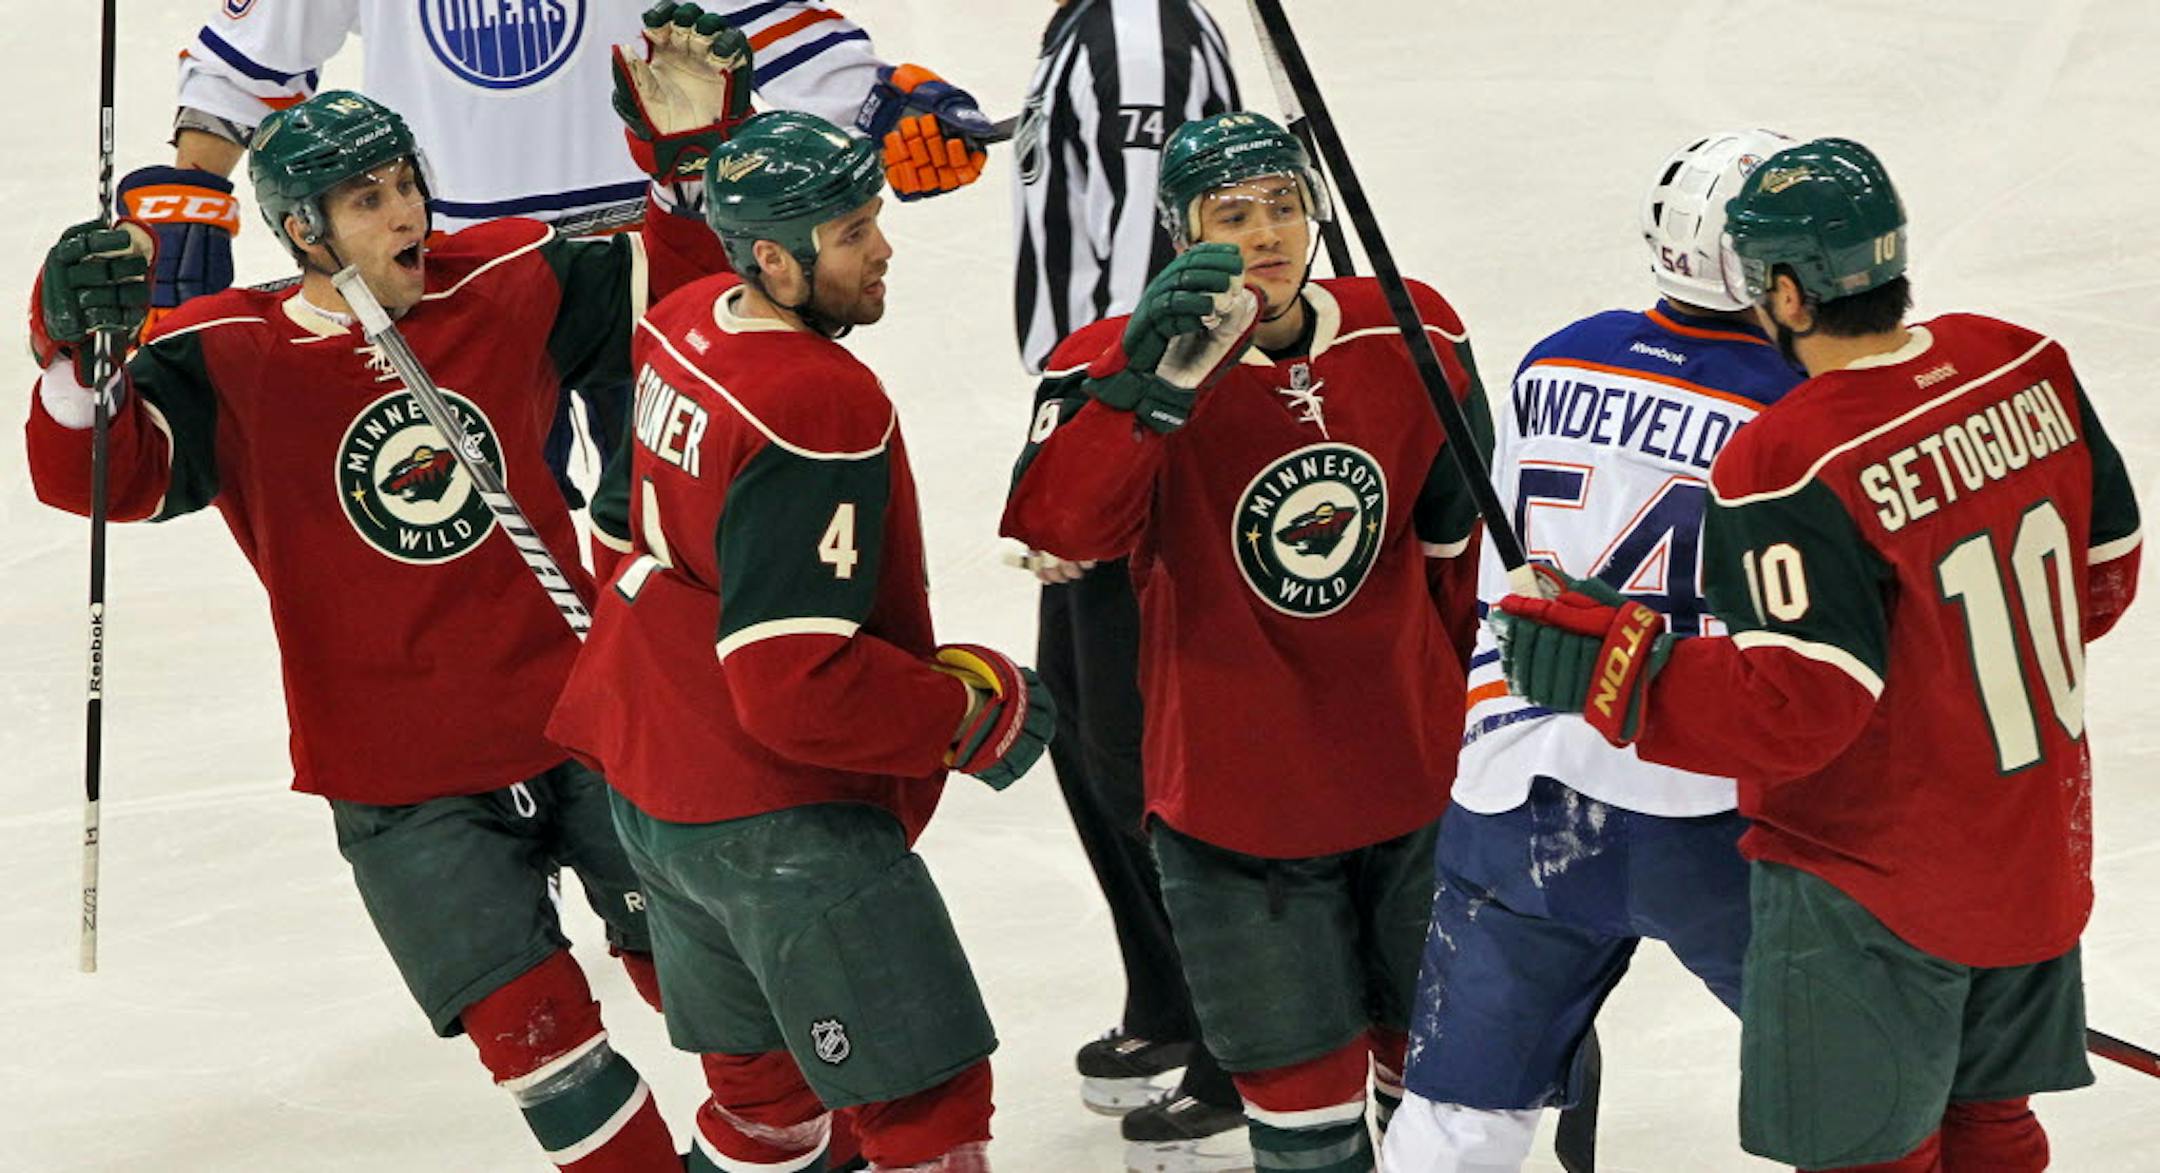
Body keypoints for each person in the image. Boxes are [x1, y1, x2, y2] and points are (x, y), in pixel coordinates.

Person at [24, 11, 745, 1168]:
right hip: (400, 779)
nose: (408, 211)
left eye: (407, 182)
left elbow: (691, 304)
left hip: (584, 723)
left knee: (724, 992)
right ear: (304, 230)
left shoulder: (506, 279)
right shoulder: (229, 356)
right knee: (542, 1048)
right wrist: (71, 355)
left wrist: (690, 171)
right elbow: (100, 480)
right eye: (368, 201)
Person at [1491, 137, 2142, 1172]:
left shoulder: (1788, 457)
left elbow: (1792, 717)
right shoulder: (2022, 359)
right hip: (2034, 843)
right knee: (1993, 1126)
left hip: (1878, 885)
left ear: (1788, 294)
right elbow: (2105, 576)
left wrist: (1616, 664)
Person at [546, 111, 1056, 1173]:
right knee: (927, 1104)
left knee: (767, 1106)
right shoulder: (816, 400)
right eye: (854, 231)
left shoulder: (686, 324)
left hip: (650, 787)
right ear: (774, 257)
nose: (883, 249)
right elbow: (793, 683)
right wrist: (961, 715)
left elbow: (613, 521)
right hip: (776, 819)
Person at [1002, 110, 1490, 1173]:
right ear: (1182, 233)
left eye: (1285, 205)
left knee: (1442, 1116)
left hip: (1414, 789)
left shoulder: (1413, 333)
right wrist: (1151, 387)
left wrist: (1485, 746)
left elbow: (1460, 557)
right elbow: (1054, 535)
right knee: (1306, 1132)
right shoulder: (1109, 362)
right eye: (1233, 213)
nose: (1267, 231)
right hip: (1241, 813)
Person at [130, 0, 1001, 525]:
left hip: (646, 262)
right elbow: (247, 63)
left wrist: (881, 103)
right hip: (457, 280)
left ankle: (694, 755)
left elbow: (767, 24)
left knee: (698, 524)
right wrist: (185, 182)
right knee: (489, 543)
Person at [1379, 129, 1802, 1172]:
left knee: (1459, 1110)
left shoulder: (1557, 356)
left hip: (1516, 792)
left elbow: (1504, 564)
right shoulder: (1801, 410)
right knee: (1848, 1080)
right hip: (1708, 804)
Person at [1008, 0, 1247, 1166]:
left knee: (1132, 744)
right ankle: (1164, 994)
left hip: (1137, 430)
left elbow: (1150, 263)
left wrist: (1099, 444)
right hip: (1091, 423)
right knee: (1080, 724)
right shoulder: (1096, 26)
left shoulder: (1137, 32)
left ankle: (1231, 1032)